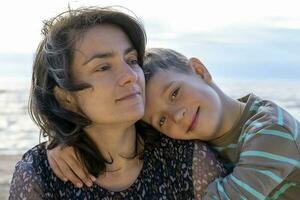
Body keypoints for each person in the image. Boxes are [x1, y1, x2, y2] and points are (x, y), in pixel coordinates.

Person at [9, 7, 226, 199]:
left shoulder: (186, 157)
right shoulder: (40, 174)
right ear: (66, 98)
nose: (130, 75)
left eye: (131, 60)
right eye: (103, 67)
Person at [50, 48, 300, 199]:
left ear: (200, 71)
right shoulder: (193, 137)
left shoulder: (272, 132)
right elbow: (117, 135)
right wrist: (64, 140)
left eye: (174, 93)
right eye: (160, 120)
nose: (176, 115)